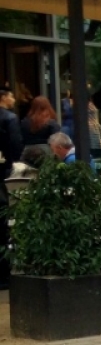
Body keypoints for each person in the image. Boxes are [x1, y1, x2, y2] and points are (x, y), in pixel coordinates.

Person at [0, 83, 20, 290]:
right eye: (11, 96)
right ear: (4, 97)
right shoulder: (10, 119)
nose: (14, 99)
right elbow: (15, 146)